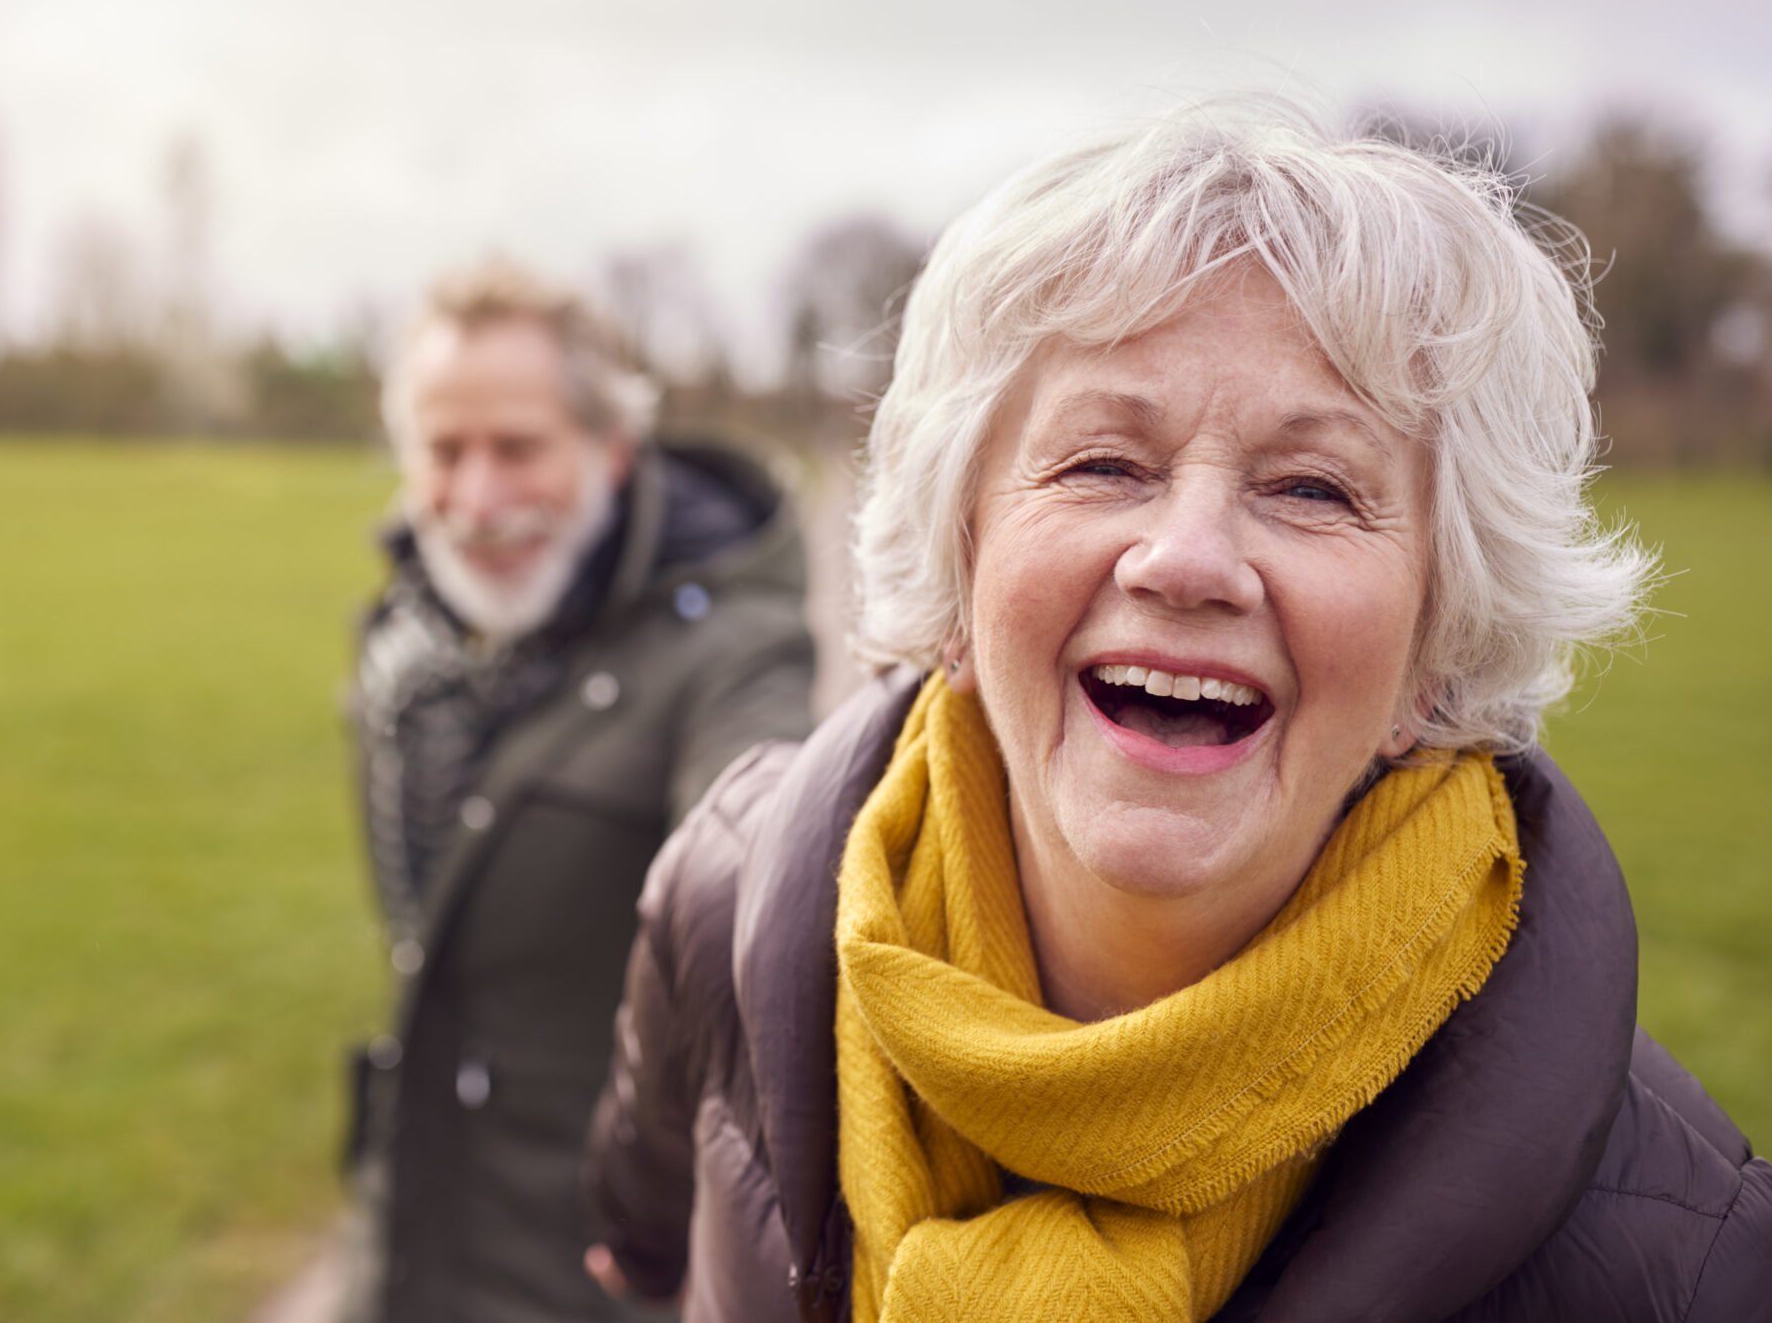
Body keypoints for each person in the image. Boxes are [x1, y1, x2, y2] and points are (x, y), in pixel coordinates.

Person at [583, 99, 1772, 1322]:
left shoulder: (1694, 1267)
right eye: (1104, 463)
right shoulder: (723, 893)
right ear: (958, 562)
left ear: (1440, 644)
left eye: (1312, 487)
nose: (1186, 559)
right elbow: (639, 1233)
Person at [338, 260, 817, 1323]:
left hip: (592, 1279)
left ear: (609, 447)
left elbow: (759, 849)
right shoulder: (404, 644)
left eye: (517, 448)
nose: (474, 498)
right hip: (406, 1245)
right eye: (442, 451)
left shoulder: (736, 651)